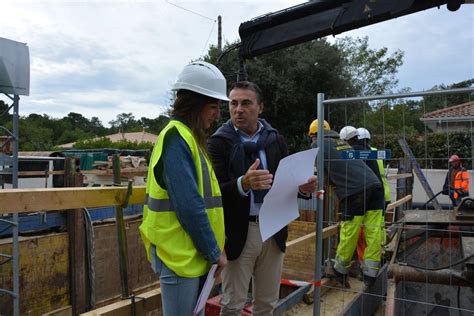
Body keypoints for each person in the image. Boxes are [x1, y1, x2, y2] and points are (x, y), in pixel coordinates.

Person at [208, 81, 316, 315]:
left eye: (246, 103)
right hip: (238, 232)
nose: (238, 109)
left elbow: (286, 183)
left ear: (260, 107)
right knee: (232, 305)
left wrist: (304, 188)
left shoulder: (275, 140)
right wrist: (242, 184)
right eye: (233, 104)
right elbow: (214, 193)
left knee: (267, 304)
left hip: (273, 229)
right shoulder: (218, 142)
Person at [139, 61, 228, 316]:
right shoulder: (176, 139)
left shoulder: (189, 139)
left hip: (192, 255)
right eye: (213, 106)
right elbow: (190, 206)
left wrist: (213, 249)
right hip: (180, 257)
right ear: (195, 105)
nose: (217, 113)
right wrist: (214, 251)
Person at [308, 119, 384, 287]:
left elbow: (321, 175)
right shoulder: (340, 143)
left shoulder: (317, 145)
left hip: (355, 191)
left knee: (350, 229)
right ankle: (370, 273)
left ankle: (340, 270)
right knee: (373, 230)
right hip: (375, 186)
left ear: (314, 135)